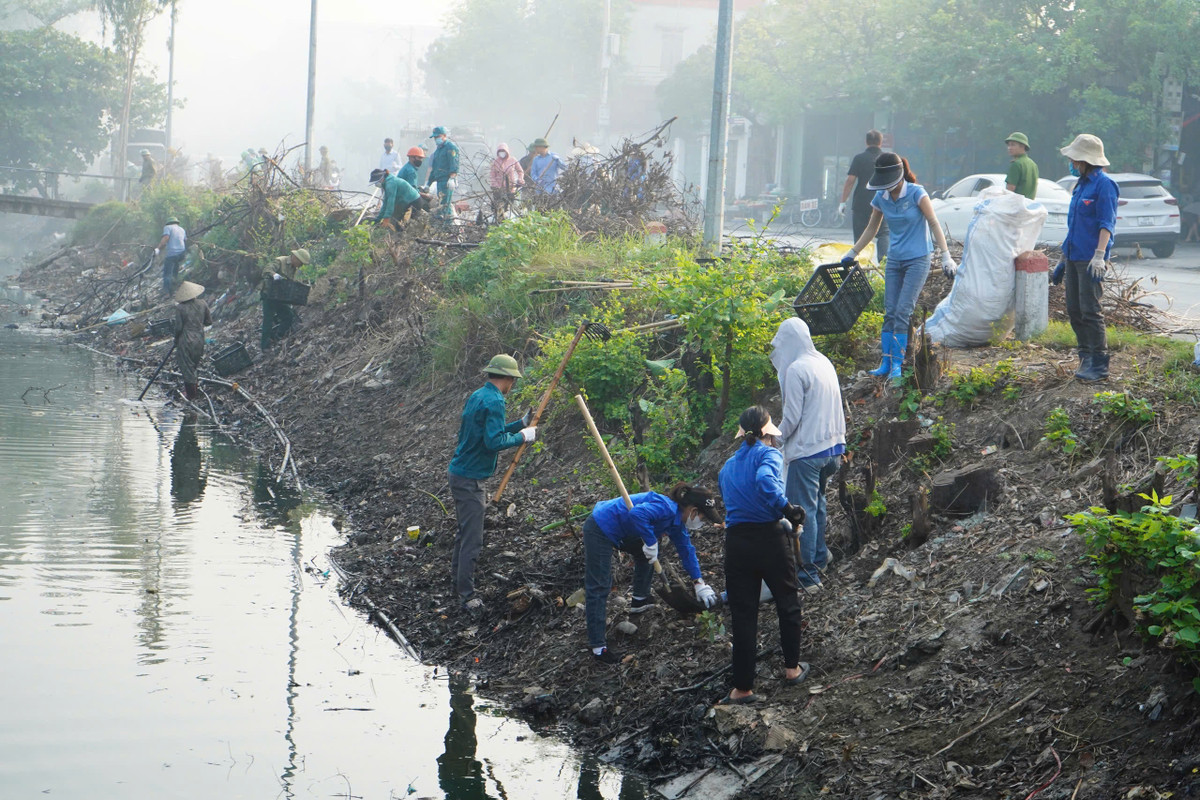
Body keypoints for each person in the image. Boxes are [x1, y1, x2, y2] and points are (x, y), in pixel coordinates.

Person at [717, 406, 810, 704]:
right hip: (768, 539)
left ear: (741, 434)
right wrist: (789, 511)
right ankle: (792, 670)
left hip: (736, 543)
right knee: (787, 601)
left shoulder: (727, 467)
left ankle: (742, 689)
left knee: (743, 614)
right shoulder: (769, 454)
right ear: (768, 432)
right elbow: (766, 484)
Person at [841, 152, 957, 381]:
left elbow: (933, 222)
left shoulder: (916, 193)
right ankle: (885, 361)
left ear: (900, 176)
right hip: (894, 259)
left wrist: (946, 256)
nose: (888, 188)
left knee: (903, 311)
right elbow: (871, 228)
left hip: (918, 259)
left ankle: (898, 363)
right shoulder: (881, 197)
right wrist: (852, 252)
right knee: (890, 311)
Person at [582, 484, 722, 664]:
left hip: (624, 529)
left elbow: (686, 550)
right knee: (600, 584)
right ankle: (598, 647)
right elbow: (637, 514)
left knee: (647, 553)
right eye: (703, 518)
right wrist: (650, 541)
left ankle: (640, 600)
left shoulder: (677, 522)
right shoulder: (666, 508)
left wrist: (699, 582)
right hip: (601, 526)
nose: (702, 523)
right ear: (693, 511)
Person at [447, 354, 538, 612]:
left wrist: (519, 425)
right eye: (513, 380)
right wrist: (523, 436)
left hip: (460, 473)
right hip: (471, 479)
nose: (513, 385)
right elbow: (494, 442)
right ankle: (466, 596)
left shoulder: (479, 395)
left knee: (464, 533)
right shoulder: (496, 401)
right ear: (508, 378)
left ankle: (457, 583)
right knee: (473, 539)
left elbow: (488, 432)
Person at [770, 318, 846, 592]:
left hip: (808, 452)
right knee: (819, 505)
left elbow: (791, 417)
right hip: (833, 450)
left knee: (803, 514)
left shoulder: (796, 369)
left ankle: (808, 576)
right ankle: (821, 557)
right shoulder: (823, 362)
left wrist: (773, 439)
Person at [1051, 134, 1118, 382]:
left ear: (1083, 160)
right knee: (1074, 310)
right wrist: (1061, 259)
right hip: (1073, 256)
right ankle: (1085, 357)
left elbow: (1106, 223)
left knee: (1091, 311)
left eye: (1073, 158)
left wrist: (1100, 255)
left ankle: (1099, 363)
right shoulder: (1080, 185)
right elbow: (1074, 226)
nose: (1070, 161)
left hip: (1091, 259)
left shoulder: (1104, 185)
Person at [839, 131, 889, 260]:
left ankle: (860, 265)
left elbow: (850, 181)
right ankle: (884, 264)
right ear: (880, 142)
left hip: (861, 203)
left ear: (866, 142)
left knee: (860, 236)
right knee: (883, 234)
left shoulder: (859, 158)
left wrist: (842, 202)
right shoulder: (886, 159)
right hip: (882, 202)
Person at [261, 248, 309, 350]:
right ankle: (264, 347)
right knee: (268, 320)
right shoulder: (280, 261)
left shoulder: (293, 268)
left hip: (279, 297)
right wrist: (274, 274)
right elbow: (266, 270)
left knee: (288, 315)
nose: (300, 266)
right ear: (295, 258)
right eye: (300, 263)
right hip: (269, 294)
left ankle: (278, 336)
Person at [172, 280, 211, 401]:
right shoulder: (203, 303)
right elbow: (208, 322)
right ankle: (193, 391)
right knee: (193, 365)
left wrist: (175, 339)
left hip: (186, 339)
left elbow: (178, 328)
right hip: (199, 338)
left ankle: (191, 395)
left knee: (186, 367)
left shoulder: (180, 308)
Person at [428, 126, 460, 217]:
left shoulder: (451, 147)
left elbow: (453, 163)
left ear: (444, 135)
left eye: (438, 136)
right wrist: (428, 183)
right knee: (441, 204)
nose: (436, 139)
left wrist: (452, 178)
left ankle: (448, 225)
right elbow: (435, 168)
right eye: (435, 137)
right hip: (439, 181)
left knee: (445, 205)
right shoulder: (438, 150)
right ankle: (443, 225)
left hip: (447, 181)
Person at [488, 143, 524, 220]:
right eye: (500, 151)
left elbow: (520, 171)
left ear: (507, 151)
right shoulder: (495, 162)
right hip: (498, 190)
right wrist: (496, 186)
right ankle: (498, 220)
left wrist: (520, 180)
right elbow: (492, 175)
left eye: (503, 151)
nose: (502, 153)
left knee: (510, 206)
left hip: (511, 188)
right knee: (498, 207)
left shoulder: (513, 160)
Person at [155, 216, 187, 295]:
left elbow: (166, 238)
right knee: (175, 269)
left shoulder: (167, 227)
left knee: (167, 274)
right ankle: (175, 286)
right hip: (181, 254)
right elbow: (185, 239)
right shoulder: (182, 229)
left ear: (169, 223)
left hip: (172, 254)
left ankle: (166, 292)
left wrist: (158, 248)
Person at [1004, 132, 1039, 200]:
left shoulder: (1016, 164)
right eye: (1008, 145)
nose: (1009, 148)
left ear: (1022, 146)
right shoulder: (1033, 164)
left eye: (1013, 145)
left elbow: (1010, 190)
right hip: (1029, 206)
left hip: (1016, 206)